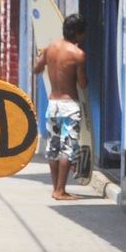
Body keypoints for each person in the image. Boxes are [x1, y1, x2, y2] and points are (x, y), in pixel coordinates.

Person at [33, 14, 88, 201]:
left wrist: (41, 58)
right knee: (68, 148)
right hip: (69, 106)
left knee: (53, 147)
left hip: (53, 104)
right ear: (78, 34)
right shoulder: (78, 54)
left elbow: (36, 69)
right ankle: (60, 190)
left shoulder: (50, 49)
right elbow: (82, 84)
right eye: (83, 34)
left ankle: (55, 188)